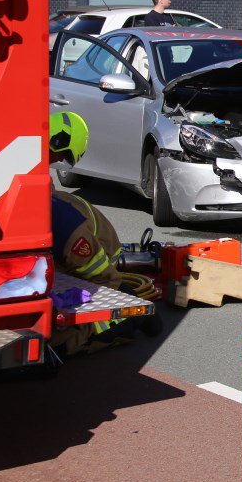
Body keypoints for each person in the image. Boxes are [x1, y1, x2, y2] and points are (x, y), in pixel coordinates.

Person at [47, 112, 157, 356]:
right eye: (62, 154)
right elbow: (104, 279)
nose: (58, 161)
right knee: (125, 317)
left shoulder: (36, 177)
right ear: (57, 141)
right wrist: (129, 304)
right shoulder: (66, 224)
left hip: (81, 249)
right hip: (84, 250)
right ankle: (71, 343)